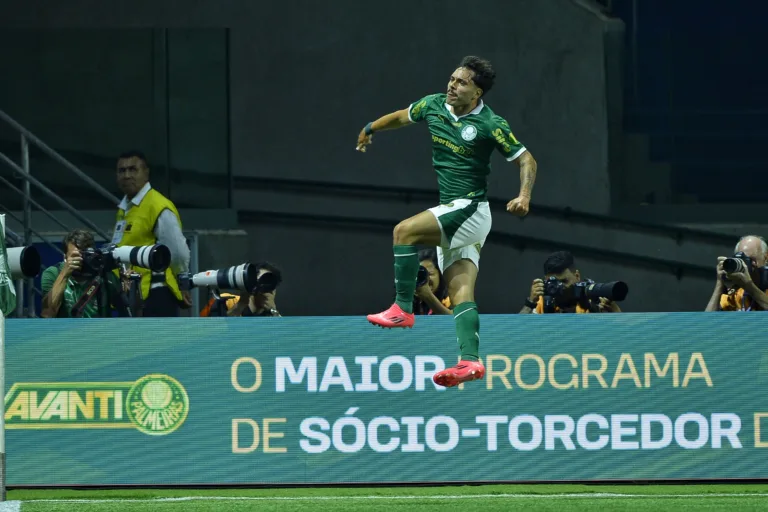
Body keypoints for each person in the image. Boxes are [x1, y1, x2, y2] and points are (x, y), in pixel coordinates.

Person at [356, 56, 538, 387]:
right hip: (458, 212)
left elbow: (526, 159)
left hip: (469, 209)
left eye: (462, 82)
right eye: (452, 79)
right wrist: (371, 128)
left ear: (477, 93)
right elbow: (401, 117)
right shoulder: (434, 105)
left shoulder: (491, 125)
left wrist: (524, 196)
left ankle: (402, 307)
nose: (452, 85)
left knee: (404, 232)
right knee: (461, 291)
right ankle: (470, 362)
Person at [112, 151, 191, 317]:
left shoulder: (158, 205)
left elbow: (177, 253)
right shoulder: (125, 207)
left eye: (133, 169)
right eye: (122, 170)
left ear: (146, 173)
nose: (126, 175)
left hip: (156, 294)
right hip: (132, 294)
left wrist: (182, 284)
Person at [40, 229, 126, 318]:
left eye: (87, 255)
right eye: (77, 256)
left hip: (98, 330)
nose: (83, 260)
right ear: (65, 256)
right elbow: (47, 314)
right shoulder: (54, 273)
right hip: (66, 331)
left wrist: (129, 292)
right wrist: (65, 274)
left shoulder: (103, 274)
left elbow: (127, 311)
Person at [519, 251, 621, 314]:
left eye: (564, 281)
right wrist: (530, 303)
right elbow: (514, 333)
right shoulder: (542, 304)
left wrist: (615, 314)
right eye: (554, 283)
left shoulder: (594, 300)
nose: (560, 287)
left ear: (577, 276)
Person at [705, 235, 768, 311]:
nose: (748, 265)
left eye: (752, 259)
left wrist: (749, 286)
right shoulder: (737, 293)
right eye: (743, 260)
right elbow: (707, 321)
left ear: (766, 259)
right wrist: (720, 283)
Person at [199, 262, 283, 317]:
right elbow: (213, 332)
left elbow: (285, 339)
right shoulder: (226, 301)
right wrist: (240, 305)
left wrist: (273, 311)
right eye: (263, 280)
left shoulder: (273, 316)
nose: (266, 285)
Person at [413, 248, 452, 315]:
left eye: (430, 274)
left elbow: (455, 320)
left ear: (440, 275)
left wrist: (428, 296)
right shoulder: (406, 302)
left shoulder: (451, 299)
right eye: (419, 274)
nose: (426, 279)